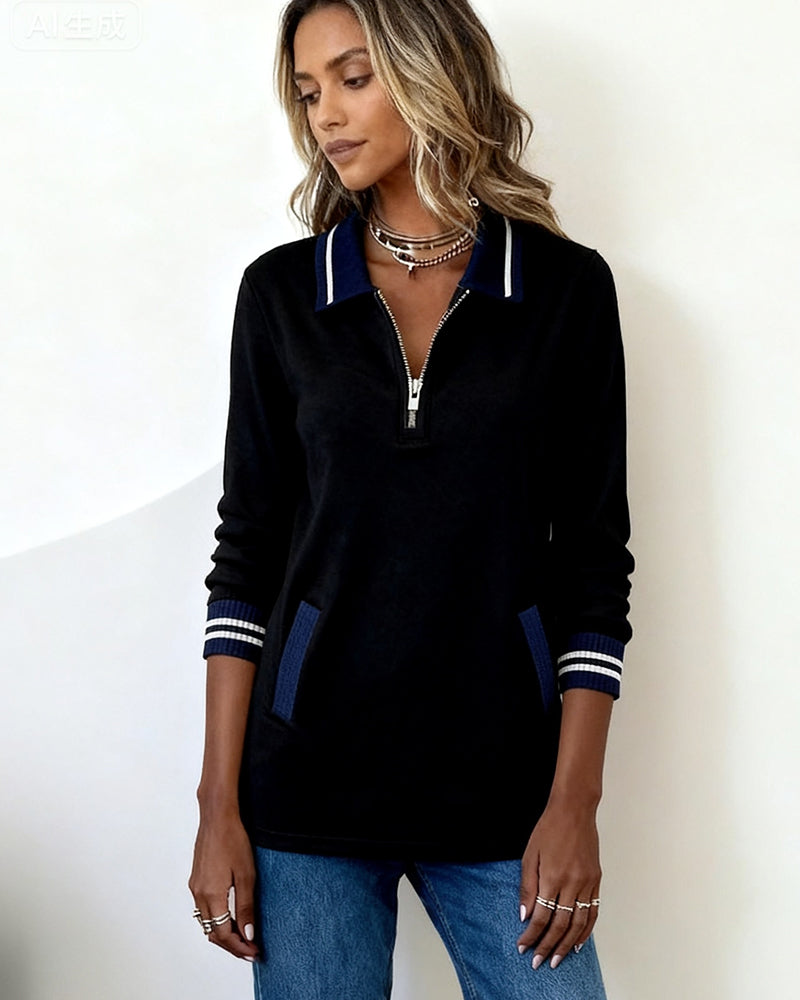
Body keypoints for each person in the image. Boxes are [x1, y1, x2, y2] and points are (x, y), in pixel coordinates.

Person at [189, 1, 634, 997]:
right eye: (309, 91)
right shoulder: (283, 295)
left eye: (353, 79)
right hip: (304, 792)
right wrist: (218, 806)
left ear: (431, 73)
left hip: (504, 792)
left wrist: (575, 803)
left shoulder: (561, 291)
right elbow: (246, 555)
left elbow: (592, 565)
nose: (326, 115)